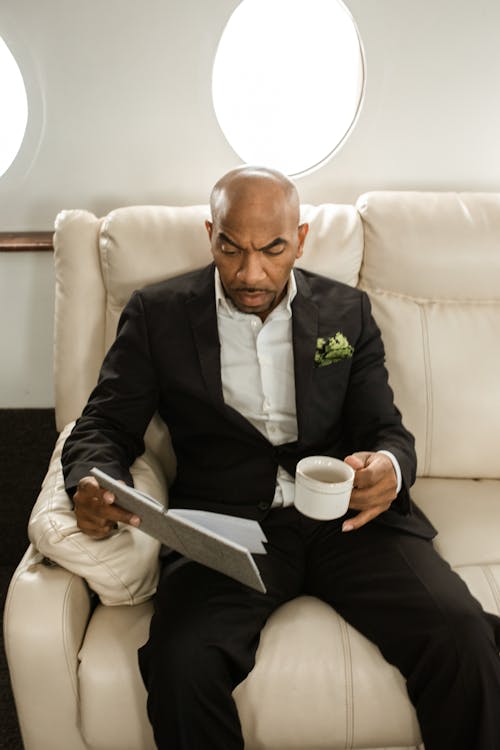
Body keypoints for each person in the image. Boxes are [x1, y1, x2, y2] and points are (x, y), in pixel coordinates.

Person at [62, 166, 500, 750]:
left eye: (272, 249)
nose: (251, 273)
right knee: (181, 662)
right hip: (225, 524)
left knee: (464, 636)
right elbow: (104, 424)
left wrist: (389, 470)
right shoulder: (157, 314)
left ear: (301, 237)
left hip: (347, 518)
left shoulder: (348, 313)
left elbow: (384, 429)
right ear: (209, 234)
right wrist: (93, 484)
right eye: (231, 248)